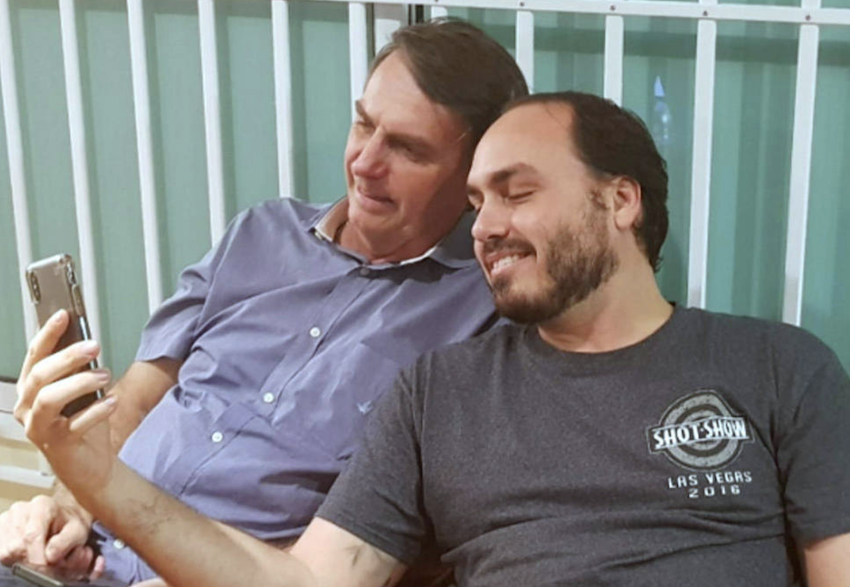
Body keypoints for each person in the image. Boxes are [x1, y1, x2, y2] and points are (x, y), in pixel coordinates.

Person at [14, 92, 850, 587]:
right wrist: (92, 474)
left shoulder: (777, 366)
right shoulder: (439, 392)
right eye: (478, 203)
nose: (485, 227)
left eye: (517, 192)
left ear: (620, 200)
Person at [0, 18, 527, 585]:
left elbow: (395, 547)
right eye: (364, 125)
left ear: (475, 182)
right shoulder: (259, 234)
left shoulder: (483, 320)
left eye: (407, 149)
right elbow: (133, 401)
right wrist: (68, 509)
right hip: (86, 555)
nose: (365, 163)